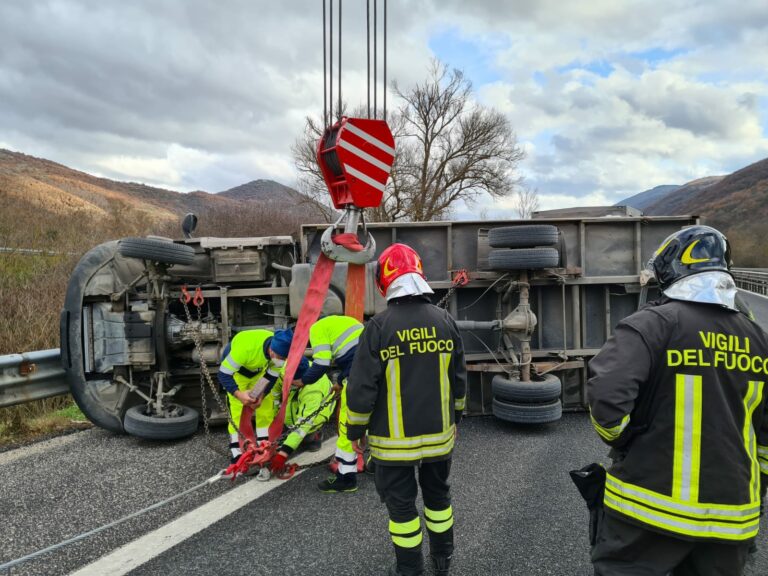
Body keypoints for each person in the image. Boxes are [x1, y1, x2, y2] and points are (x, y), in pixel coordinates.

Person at [587, 225, 768, 576]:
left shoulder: (651, 324)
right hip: (732, 520)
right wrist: (754, 484)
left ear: (671, 269)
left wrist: (624, 439)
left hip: (648, 513)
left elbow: (607, 401)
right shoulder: (759, 339)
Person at [345, 243, 467, 576]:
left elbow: (360, 389)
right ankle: (443, 558)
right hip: (440, 438)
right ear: (419, 273)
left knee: (401, 508)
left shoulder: (379, 328)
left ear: (384, 280)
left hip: (392, 444)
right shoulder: (445, 321)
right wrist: (456, 418)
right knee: (439, 498)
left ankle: (409, 569)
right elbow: (459, 379)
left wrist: (355, 432)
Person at [292, 314, 364, 493]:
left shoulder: (316, 330)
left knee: (347, 425)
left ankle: (346, 479)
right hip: (368, 371)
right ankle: (373, 464)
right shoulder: (340, 322)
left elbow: (321, 364)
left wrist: (304, 381)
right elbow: (355, 356)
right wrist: (339, 381)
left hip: (357, 378)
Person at [217, 328, 293, 464]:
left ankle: (264, 444)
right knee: (237, 408)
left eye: (285, 358)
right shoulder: (245, 349)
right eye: (280, 357)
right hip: (238, 372)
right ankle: (237, 449)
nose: (282, 361)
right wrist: (239, 394)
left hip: (258, 372)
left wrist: (261, 396)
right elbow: (223, 374)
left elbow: (270, 377)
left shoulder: (278, 353)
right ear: (271, 350)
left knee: (266, 404)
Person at [268, 356, 336, 474]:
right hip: (297, 402)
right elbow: (275, 391)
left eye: (293, 382)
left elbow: (303, 423)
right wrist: (275, 420)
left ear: (302, 380)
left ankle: (313, 436)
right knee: (286, 424)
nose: (290, 383)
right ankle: (289, 431)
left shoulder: (313, 389)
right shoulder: (287, 368)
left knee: (306, 430)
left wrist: (283, 455)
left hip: (316, 411)